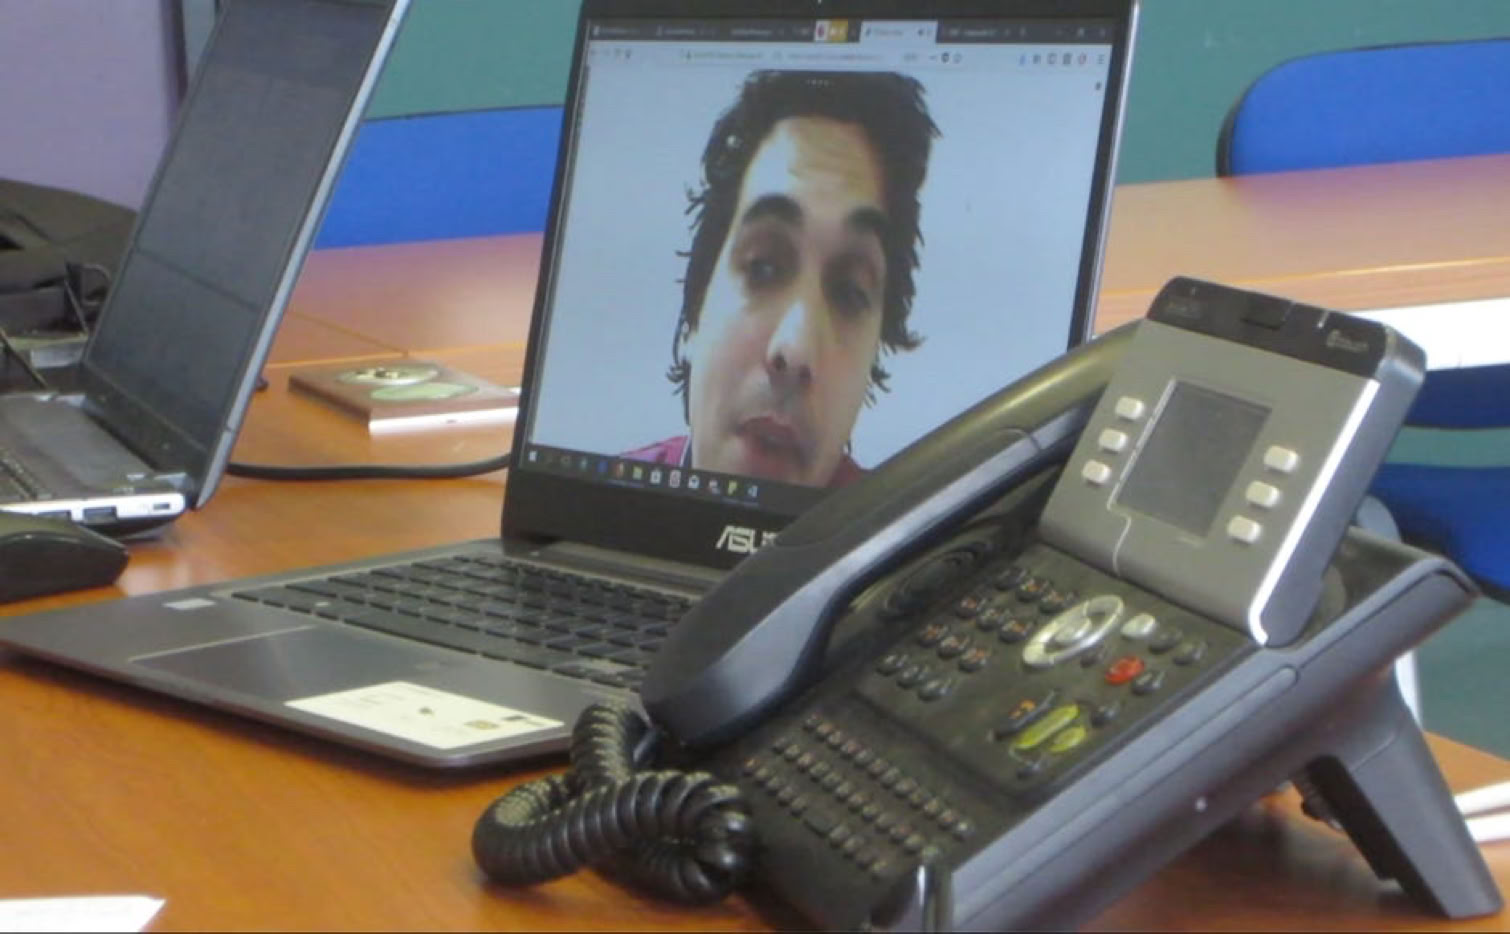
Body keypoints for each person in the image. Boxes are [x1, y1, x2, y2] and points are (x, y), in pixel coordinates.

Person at [625, 70, 938, 488]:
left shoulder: (904, 526)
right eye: (763, 268)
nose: (795, 348)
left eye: (849, 293)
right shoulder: (605, 495)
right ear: (692, 319)